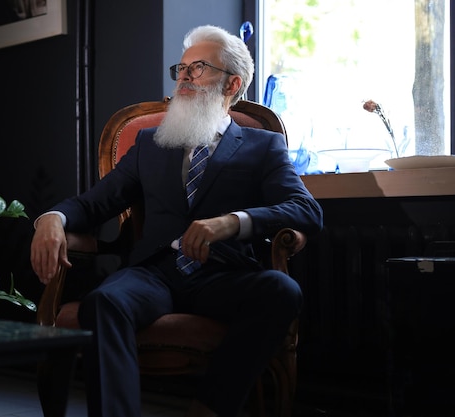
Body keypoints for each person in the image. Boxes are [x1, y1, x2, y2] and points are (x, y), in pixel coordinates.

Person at [31, 25, 323, 417]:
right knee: (103, 301)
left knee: (282, 290)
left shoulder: (263, 146)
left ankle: (209, 408)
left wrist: (231, 222)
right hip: (154, 274)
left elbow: (306, 210)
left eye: (197, 68)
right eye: (181, 68)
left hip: (224, 275)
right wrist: (51, 218)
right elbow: (92, 204)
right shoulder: (150, 144)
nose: (183, 76)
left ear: (232, 83)